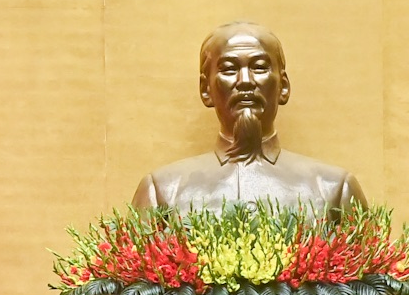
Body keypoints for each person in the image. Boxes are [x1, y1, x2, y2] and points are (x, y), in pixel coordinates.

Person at [132, 22, 367, 214]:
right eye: (229, 69)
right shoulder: (163, 192)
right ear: (206, 89)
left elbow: (369, 270)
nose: (245, 81)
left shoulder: (333, 190)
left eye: (260, 67)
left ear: (283, 86)